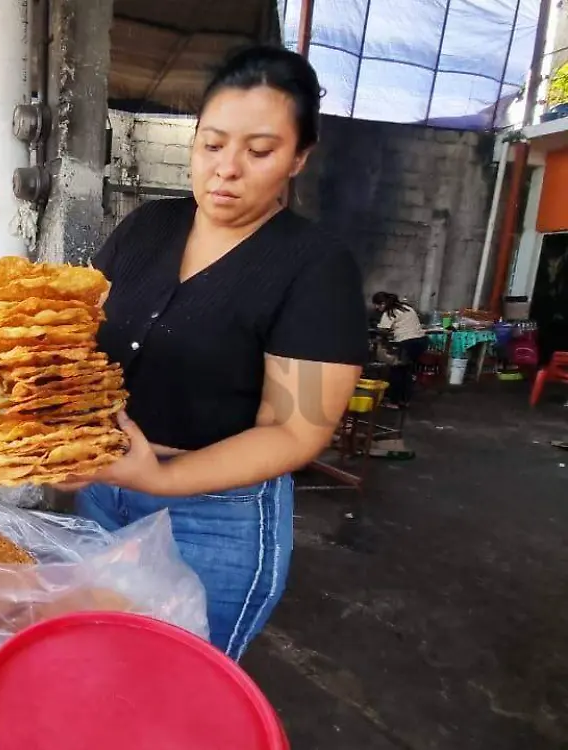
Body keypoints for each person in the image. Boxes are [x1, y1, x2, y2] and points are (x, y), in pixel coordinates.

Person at [66, 45, 367, 660]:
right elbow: (80, 347)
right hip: (101, 493)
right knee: (95, 668)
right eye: (210, 144)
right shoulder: (147, 227)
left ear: (298, 159)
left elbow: (294, 429)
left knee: (176, 690)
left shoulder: (315, 266)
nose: (226, 168)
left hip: (216, 518)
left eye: (259, 151)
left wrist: (162, 476)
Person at [372, 291, 427, 406]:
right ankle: (405, 400)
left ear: (382, 303)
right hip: (421, 341)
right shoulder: (406, 308)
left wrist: (377, 339)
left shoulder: (389, 312)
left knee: (396, 371)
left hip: (408, 343)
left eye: (377, 305)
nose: (376, 308)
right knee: (406, 371)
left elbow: (383, 331)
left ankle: (394, 402)